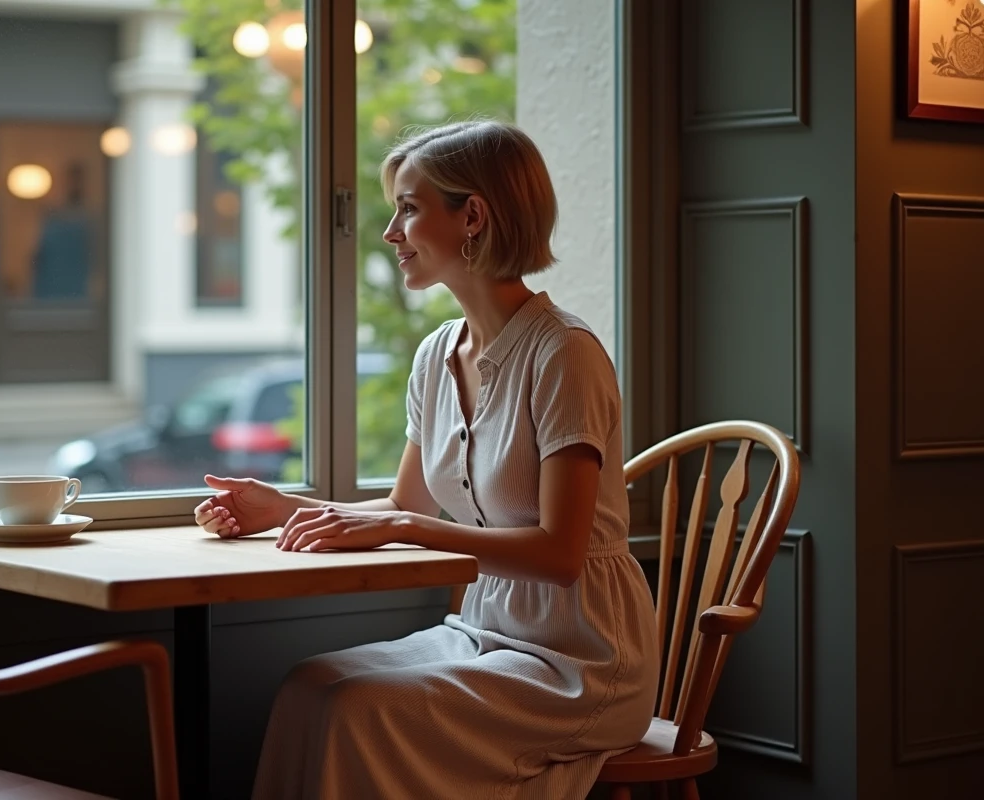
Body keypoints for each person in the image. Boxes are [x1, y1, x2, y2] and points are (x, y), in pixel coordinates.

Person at [194, 119, 659, 800]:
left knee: (357, 710)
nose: (390, 233)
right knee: (308, 688)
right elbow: (404, 506)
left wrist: (403, 530)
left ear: (472, 216)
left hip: (581, 659)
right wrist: (280, 508)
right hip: (483, 630)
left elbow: (560, 555)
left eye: (408, 208)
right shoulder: (436, 355)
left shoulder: (563, 354)